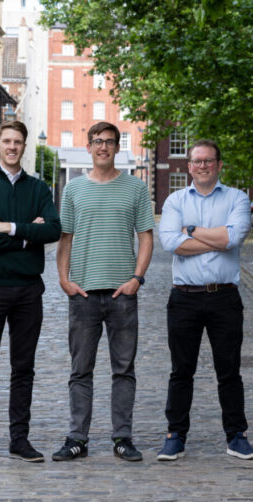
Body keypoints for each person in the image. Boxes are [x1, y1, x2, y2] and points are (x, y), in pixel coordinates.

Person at [52, 121, 155, 463]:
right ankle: (77, 437)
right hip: (83, 294)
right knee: (80, 370)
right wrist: (64, 280)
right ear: (89, 147)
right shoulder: (74, 190)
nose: (103, 147)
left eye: (110, 142)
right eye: (97, 141)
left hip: (122, 294)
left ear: (117, 147)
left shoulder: (136, 189)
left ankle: (122, 437)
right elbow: (65, 238)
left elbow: (145, 237)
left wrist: (137, 279)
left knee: (123, 370)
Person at [0, 120, 61, 467]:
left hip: (28, 290)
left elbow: (52, 230)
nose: (12, 147)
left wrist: (10, 227)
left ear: (24, 146)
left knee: (24, 368)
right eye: (6, 141)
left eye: (18, 141)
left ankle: (19, 439)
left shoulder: (38, 188)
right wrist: (26, 236)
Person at [157, 139, 253, 461]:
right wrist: (216, 239)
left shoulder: (237, 198)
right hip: (184, 298)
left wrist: (193, 231)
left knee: (229, 371)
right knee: (180, 371)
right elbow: (171, 243)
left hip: (224, 297)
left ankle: (237, 436)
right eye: (197, 161)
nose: (202, 166)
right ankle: (175, 436)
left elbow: (235, 237)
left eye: (208, 161)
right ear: (189, 166)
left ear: (218, 165)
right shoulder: (175, 200)